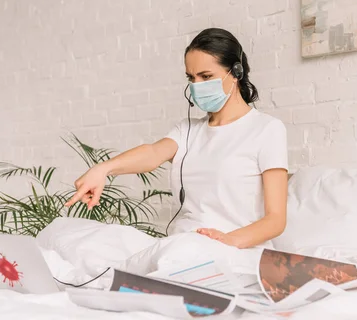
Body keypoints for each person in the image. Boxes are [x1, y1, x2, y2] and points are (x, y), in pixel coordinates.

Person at [64, 28, 289, 249]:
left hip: (235, 251)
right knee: (81, 238)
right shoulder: (188, 129)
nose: (197, 86)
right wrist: (103, 169)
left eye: (206, 76)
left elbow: (275, 220)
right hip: (184, 245)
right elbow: (152, 153)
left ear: (236, 73)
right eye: (191, 77)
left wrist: (227, 241)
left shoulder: (266, 129)